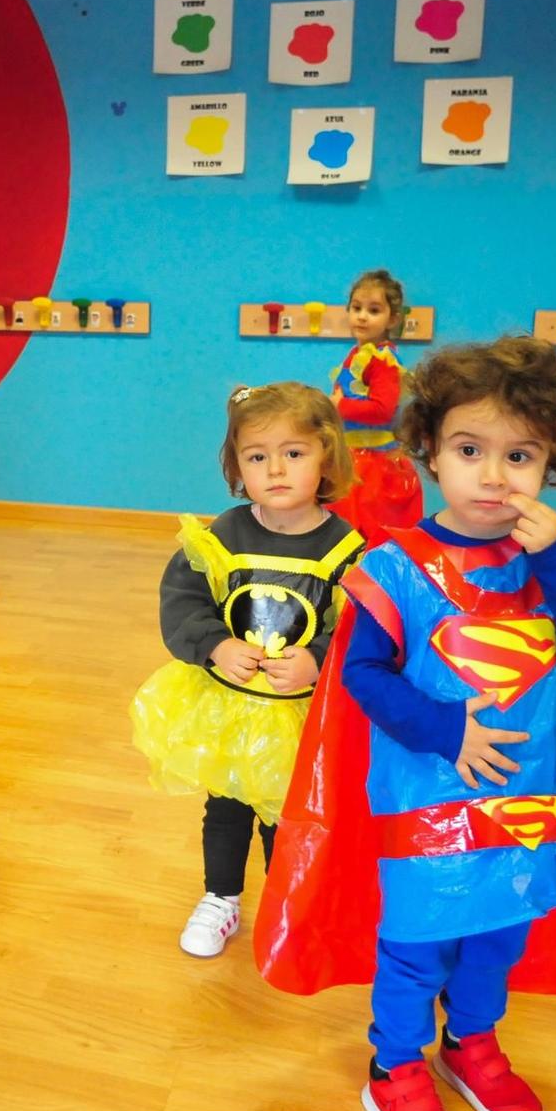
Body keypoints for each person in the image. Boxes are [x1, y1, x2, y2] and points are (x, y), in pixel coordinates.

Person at [254, 337, 556, 1111]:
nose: (495, 475)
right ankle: (393, 1064)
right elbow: (360, 675)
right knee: (419, 939)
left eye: (521, 454)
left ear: (555, 462)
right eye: (471, 451)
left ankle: (471, 1041)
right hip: (430, 803)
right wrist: (446, 729)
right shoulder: (392, 566)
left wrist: (553, 560)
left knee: (500, 932)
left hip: (533, 800)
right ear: (430, 452)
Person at [130, 383, 361, 957]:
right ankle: (221, 898)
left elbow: (365, 627)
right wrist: (213, 645)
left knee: (288, 818)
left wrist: (319, 657)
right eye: (258, 456)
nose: (276, 469)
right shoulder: (221, 538)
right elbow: (182, 602)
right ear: (237, 465)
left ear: (326, 457)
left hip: (300, 713)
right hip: (229, 708)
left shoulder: (347, 548)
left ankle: (289, 903)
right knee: (226, 806)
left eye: (294, 453)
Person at [327, 269, 423, 547]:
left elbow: (383, 410)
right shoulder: (358, 354)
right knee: (345, 531)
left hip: (375, 467)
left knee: (369, 534)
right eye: (356, 308)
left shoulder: (382, 360)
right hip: (354, 457)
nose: (362, 316)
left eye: (373, 310)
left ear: (392, 318)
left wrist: (339, 405)